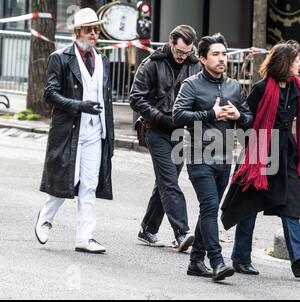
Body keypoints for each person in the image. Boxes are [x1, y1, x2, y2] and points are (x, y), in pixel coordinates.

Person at [221, 40, 300, 278]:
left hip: (285, 152)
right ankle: (241, 258)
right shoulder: (262, 88)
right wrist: (253, 151)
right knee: (249, 206)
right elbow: (246, 120)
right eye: (296, 61)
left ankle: (299, 258)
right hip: (260, 150)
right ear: (285, 63)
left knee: (291, 206)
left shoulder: (296, 88)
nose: (299, 65)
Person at [173, 33, 253, 281]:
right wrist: (210, 114)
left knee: (209, 209)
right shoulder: (192, 85)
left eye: (224, 54)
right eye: (215, 54)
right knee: (209, 207)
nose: (221, 59)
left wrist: (238, 116)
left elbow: (249, 120)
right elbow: (178, 116)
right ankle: (217, 261)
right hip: (199, 155)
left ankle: (196, 261)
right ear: (203, 58)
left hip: (224, 157)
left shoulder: (234, 87)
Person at [35, 8, 114, 253]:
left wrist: (108, 133)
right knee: (67, 179)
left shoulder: (102, 59)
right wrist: (79, 106)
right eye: (89, 29)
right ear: (78, 31)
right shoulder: (60, 57)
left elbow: (106, 97)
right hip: (70, 129)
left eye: (96, 29)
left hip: (95, 131)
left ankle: (84, 237)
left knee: (89, 184)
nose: (94, 34)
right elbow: (50, 94)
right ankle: (46, 217)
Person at [129, 25, 201, 251]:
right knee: (169, 182)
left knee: (164, 182)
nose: (183, 56)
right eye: (179, 51)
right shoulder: (151, 63)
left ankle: (147, 229)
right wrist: (160, 117)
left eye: (187, 52)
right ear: (171, 43)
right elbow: (136, 98)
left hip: (182, 132)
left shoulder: (195, 65)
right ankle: (182, 233)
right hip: (156, 129)